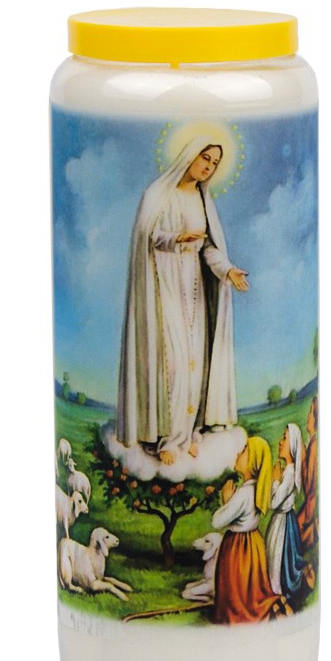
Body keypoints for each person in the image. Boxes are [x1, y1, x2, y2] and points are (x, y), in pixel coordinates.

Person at [117, 135, 249, 465]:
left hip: (194, 290)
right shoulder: (158, 195)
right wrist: (177, 238)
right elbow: (149, 237)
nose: (209, 167)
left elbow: (208, 248)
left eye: (215, 163)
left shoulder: (203, 201)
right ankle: (166, 439)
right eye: (205, 158)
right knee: (172, 363)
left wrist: (228, 270)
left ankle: (188, 433)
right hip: (163, 289)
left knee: (194, 362)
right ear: (191, 154)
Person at [210, 437, 289, 624]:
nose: (238, 453)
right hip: (253, 545)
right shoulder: (256, 489)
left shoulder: (244, 493)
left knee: (240, 593)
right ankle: (267, 607)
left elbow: (216, 521)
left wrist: (227, 501)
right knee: (251, 588)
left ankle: (252, 611)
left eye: (244, 450)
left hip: (239, 548)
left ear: (252, 461)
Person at [265, 422, 305, 598]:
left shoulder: (289, 474)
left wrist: (275, 480)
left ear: (293, 445)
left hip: (283, 524)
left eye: (284, 438)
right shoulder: (286, 471)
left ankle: (277, 590)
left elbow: (274, 503)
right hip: (280, 521)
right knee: (273, 556)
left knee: (278, 557)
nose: (280, 442)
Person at [297, 395, 319, 590]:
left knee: (296, 541)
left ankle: (302, 581)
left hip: (309, 508)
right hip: (309, 506)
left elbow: (310, 487)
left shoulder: (314, 446)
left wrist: (303, 457)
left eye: (311, 413)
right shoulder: (312, 445)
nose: (307, 417)